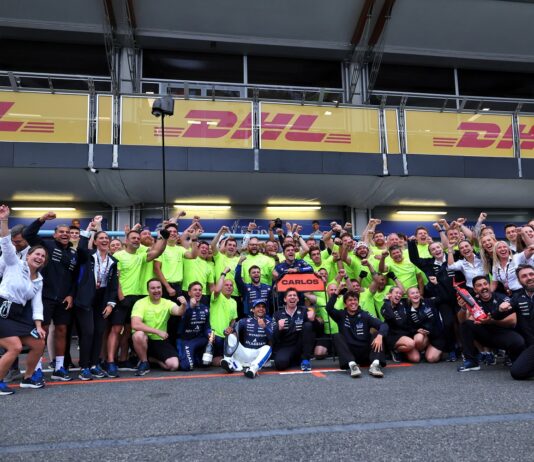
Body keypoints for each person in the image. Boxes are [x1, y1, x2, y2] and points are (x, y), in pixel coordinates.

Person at [23, 211, 79, 381]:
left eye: (67, 232)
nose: (65, 234)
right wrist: (41, 219)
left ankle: (59, 367)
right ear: (55, 235)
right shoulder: (46, 246)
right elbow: (28, 234)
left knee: (62, 331)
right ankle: (37, 368)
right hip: (44, 297)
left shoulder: (73, 254)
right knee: (42, 332)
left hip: (64, 300)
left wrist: (71, 295)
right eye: (61, 232)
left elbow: (74, 278)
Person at [107, 226, 168, 377]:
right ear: (126, 241)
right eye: (133, 238)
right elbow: (116, 278)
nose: (136, 240)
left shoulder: (141, 256)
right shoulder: (118, 255)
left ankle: (123, 360)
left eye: (138, 238)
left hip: (136, 298)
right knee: (116, 330)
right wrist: (121, 297)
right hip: (122, 297)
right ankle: (110, 362)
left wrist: (164, 237)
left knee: (128, 330)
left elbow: (158, 251)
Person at [0, 205, 47, 395]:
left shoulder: (39, 280)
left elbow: (37, 304)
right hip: (2, 310)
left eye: (43, 256)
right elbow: (5, 242)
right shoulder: (14, 263)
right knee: (15, 347)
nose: (39, 257)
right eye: (37, 254)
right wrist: (4, 219)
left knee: (38, 343)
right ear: (28, 255)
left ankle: (28, 378)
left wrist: (39, 326)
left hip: (18, 315)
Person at [74, 225, 118, 381]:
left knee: (99, 332)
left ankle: (94, 364)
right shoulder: (88, 255)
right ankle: (84, 367)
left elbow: (113, 285)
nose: (104, 240)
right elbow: (80, 248)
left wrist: (110, 304)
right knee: (88, 332)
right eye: (101, 238)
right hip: (86, 298)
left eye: (106, 238)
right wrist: (88, 230)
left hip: (102, 299)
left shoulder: (113, 261)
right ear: (95, 242)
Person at [456, 275, 525, 372]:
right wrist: (463, 308)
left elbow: (512, 321)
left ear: (489, 286)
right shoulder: (473, 301)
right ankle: (471, 362)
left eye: (485, 284)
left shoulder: (502, 298)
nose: (483, 287)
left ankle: (513, 359)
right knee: (466, 325)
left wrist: (491, 321)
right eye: (479, 285)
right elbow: (463, 321)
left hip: (503, 333)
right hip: (486, 335)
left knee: (518, 342)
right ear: (475, 290)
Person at [326, 285, 388, 378]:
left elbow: (383, 325)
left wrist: (380, 335)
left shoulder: (365, 315)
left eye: (355, 300)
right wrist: (337, 291)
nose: (353, 302)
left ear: (358, 302)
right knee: (337, 335)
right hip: (350, 354)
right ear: (345, 304)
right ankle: (353, 366)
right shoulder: (340, 315)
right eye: (350, 300)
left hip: (365, 353)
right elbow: (329, 308)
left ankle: (375, 365)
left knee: (377, 334)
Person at [131, 279, 186, 376]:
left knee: (174, 365)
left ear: (162, 289)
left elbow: (179, 312)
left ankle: (150, 359)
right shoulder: (140, 303)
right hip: (144, 339)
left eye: (158, 288)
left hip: (159, 340)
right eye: (153, 288)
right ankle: (144, 362)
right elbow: (135, 324)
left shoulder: (167, 302)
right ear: (148, 290)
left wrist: (184, 305)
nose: (156, 290)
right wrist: (157, 331)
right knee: (138, 335)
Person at [220, 300, 273, 378]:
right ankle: (229, 362)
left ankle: (253, 369)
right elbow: (231, 330)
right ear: (253, 310)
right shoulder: (244, 321)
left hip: (257, 354)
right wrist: (226, 331)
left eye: (263, 307)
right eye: (258, 307)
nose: (261, 309)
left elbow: (273, 338)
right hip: (244, 352)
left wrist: (264, 327)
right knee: (230, 336)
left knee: (268, 348)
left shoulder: (269, 322)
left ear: (265, 310)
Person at [272, 288, 315, 371]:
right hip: (286, 346)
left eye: (294, 295)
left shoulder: (304, 311)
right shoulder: (277, 314)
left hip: (301, 345)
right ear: (285, 299)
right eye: (290, 295)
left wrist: (314, 320)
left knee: (308, 325)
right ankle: (295, 360)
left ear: (298, 299)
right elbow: (274, 338)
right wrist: (279, 328)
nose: (292, 297)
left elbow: (315, 330)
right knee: (280, 364)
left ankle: (305, 360)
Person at [176, 282, 213, 371]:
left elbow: (206, 327)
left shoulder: (205, 308)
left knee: (205, 363)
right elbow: (183, 323)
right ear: (189, 293)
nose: (198, 292)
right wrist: (190, 307)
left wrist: (209, 334)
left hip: (199, 339)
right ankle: (187, 356)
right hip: (186, 340)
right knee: (187, 366)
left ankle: (196, 357)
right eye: (195, 290)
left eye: (200, 290)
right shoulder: (184, 307)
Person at [506, 265, 534, 380]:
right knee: (517, 372)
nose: (529, 277)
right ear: (519, 281)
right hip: (531, 346)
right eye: (524, 276)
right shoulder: (517, 297)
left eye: (531, 274)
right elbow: (497, 315)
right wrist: (500, 309)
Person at [404, 286, 445, 363]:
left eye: (417, 292)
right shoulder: (407, 310)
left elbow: (442, 297)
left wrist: (436, 284)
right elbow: (408, 327)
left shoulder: (429, 302)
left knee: (431, 359)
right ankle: (423, 350)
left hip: (436, 335)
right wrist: (416, 330)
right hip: (424, 336)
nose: (415, 295)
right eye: (412, 293)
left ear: (420, 294)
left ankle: (435, 351)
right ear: (408, 297)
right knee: (418, 338)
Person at [381, 287, 419, 363]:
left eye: (400, 294)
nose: (398, 295)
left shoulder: (403, 303)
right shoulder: (385, 307)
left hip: (405, 334)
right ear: (390, 294)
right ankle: (394, 350)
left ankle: (402, 351)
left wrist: (416, 330)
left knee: (416, 358)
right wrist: (387, 301)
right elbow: (391, 317)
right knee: (411, 344)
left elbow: (410, 296)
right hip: (393, 335)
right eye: (396, 293)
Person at [210, 268, 238, 367]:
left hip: (226, 336)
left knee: (235, 336)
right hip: (214, 335)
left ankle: (226, 361)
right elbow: (217, 289)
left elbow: (233, 319)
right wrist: (224, 273)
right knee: (216, 358)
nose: (229, 287)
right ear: (222, 286)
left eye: (231, 285)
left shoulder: (234, 302)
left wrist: (231, 327)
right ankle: (226, 362)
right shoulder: (217, 297)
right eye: (226, 285)